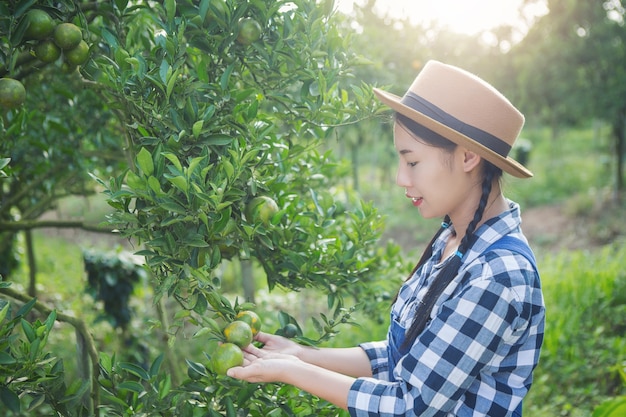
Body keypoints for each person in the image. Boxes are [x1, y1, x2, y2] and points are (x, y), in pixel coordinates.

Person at [228, 60, 546, 417]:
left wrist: (293, 371)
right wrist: (302, 354)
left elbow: (412, 405)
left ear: (468, 156)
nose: (400, 179)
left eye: (412, 163)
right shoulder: (453, 240)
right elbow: (404, 359)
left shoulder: (498, 276)